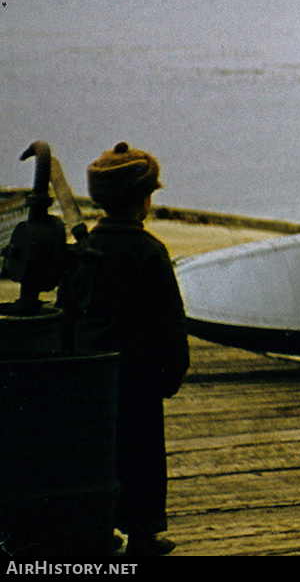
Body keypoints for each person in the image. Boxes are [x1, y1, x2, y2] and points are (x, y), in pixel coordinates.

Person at [75, 142, 189, 556]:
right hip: (139, 376)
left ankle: (99, 527)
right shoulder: (149, 251)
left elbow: (71, 310)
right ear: (143, 199)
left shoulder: (86, 249)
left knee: (96, 453)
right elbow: (170, 321)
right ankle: (143, 532)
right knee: (142, 455)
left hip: (92, 372)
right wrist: (174, 370)